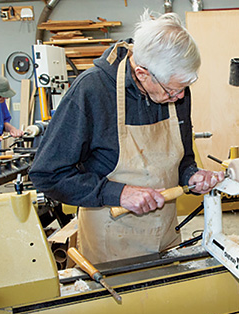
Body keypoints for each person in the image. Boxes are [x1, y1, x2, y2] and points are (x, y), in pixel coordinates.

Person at [29, 10, 224, 264]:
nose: (179, 97)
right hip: (110, 248)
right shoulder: (92, 91)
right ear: (143, 74)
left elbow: (182, 159)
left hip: (166, 239)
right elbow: (46, 175)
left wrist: (192, 175)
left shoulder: (174, 89)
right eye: (173, 91)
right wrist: (117, 193)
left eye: (184, 89)